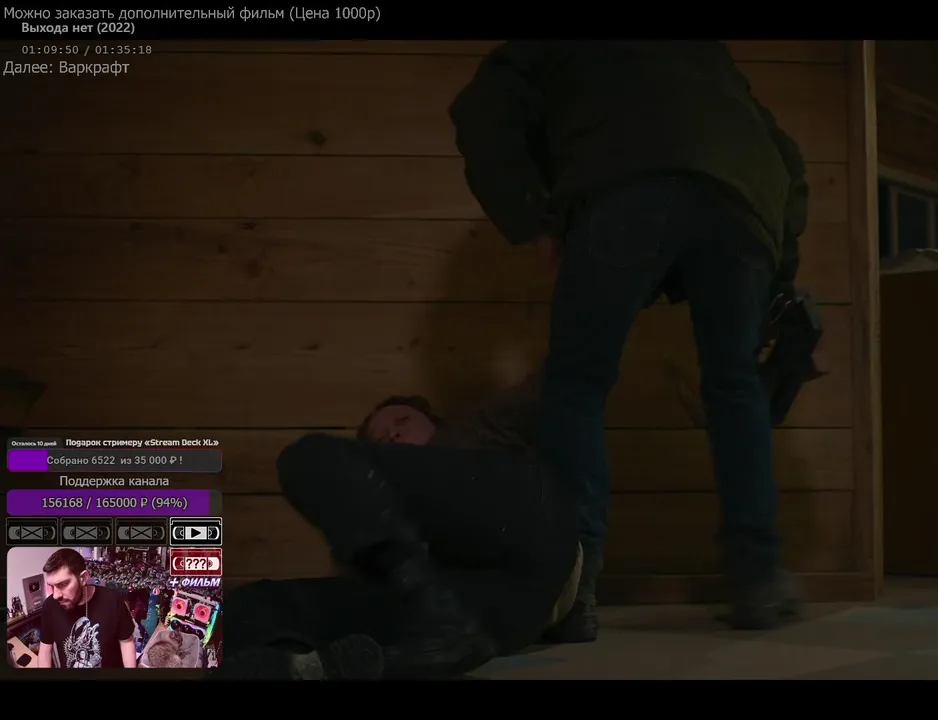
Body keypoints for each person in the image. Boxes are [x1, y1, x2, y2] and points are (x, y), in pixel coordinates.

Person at [450, 41, 810, 637]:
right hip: (746, 199)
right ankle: (758, 578)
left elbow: (480, 109)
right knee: (736, 386)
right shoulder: (706, 54)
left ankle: (573, 587)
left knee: (575, 385)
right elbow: (788, 159)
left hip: (626, 183)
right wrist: (781, 272)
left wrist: (529, 216)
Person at [217, 372, 583, 680]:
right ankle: (300, 666)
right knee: (252, 606)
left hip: (529, 523)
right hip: (501, 611)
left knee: (307, 457)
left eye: (402, 421)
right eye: (379, 439)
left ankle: (429, 623)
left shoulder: (479, 428)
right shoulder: (379, 520)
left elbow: (559, 381)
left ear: (432, 418)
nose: (391, 434)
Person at [37, 548, 137, 668]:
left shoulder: (112, 600)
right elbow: (45, 650)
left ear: (83, 578)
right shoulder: (50, 606)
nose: (56, 595)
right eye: (52, 586)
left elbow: (127, 642)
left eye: (62, 584)